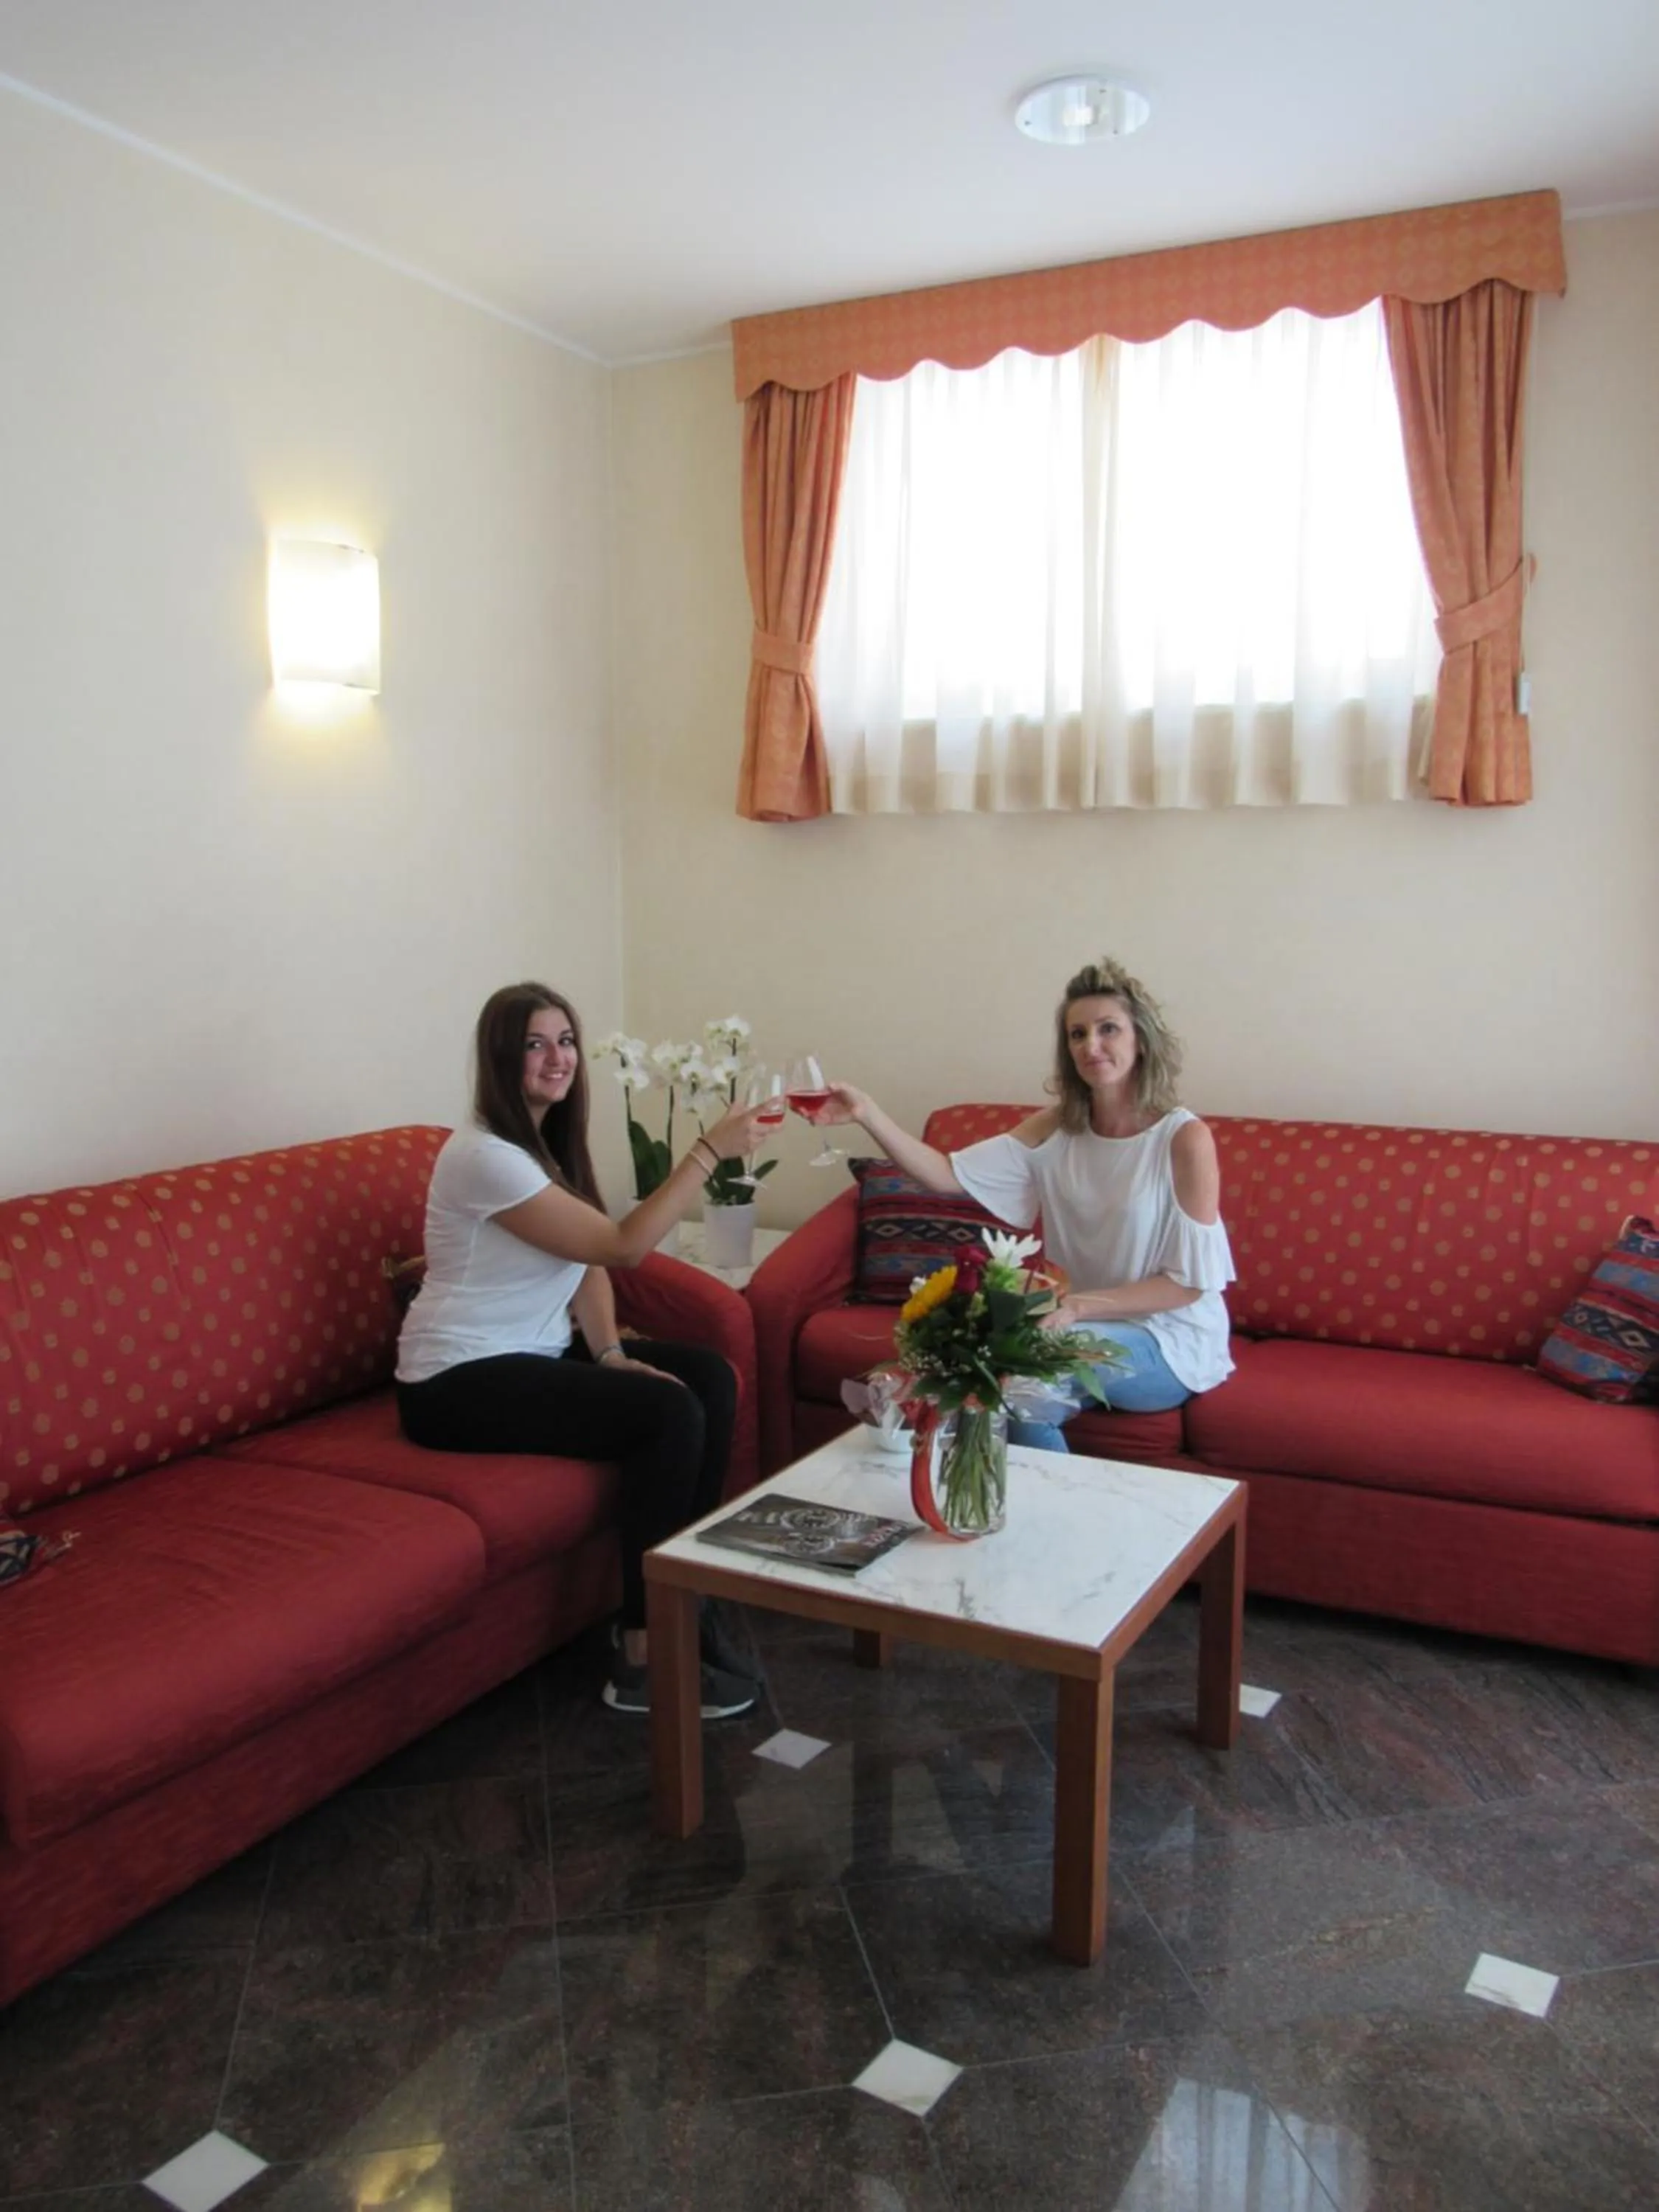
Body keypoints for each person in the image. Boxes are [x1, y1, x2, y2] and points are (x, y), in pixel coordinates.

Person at [395, 981, 773, 1718]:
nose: (557, 1058)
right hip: (453, 1379)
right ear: (499, 1058)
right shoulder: (484, 1157)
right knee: (670, 1413)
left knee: (711, 1379)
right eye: (534, 1044)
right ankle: (640, 1652)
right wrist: (706, 1152)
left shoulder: (542, 1147)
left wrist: (607, 1354)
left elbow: (588, 1265)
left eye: (565, 1041)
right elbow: (623, 1246)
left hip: (531, 1353)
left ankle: (686, 1603)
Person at [814, 956, 1235, 1448]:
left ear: (1140, 1040)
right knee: (1000, 1369)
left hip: (1168, 1340)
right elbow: (947, 1176)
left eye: (1108, 1030)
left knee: (1024, 1371)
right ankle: (964, 1481)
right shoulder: (1056, 1127)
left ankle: (1045, 1518)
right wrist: (867, 1114)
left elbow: (1187, 1285)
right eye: (1077, 1035)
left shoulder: (1183, 1138)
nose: (1091, 1046)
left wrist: (1077, 1307)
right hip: (1071, 1323)